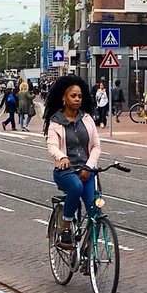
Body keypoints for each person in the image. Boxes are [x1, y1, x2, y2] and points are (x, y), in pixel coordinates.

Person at [43, 75, 102, 248]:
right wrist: (62, 157)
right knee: (75, 187)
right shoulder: (55, 122)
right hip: (65, 171)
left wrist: (88, 167)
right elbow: (52, 146)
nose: (77, 99)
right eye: (73, 96)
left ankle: (88, 251)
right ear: (64, 97)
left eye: (80, 96)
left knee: (96, 212)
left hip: (87, 171)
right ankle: (66, 228)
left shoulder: (87, 119)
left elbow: (96, 146)